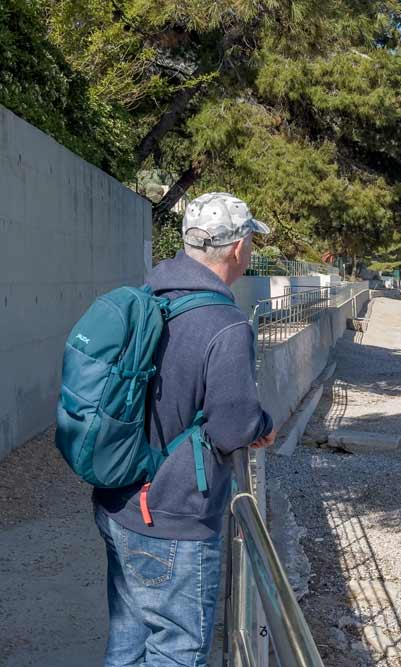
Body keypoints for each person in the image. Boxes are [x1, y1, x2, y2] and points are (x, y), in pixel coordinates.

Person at [93, 192, 277, 666]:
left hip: (119, 502)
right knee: (177, 651)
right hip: (172, 518)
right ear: (237, 248)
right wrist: (264, 425)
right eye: (251, 242)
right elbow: (232, 426)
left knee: (128, 645)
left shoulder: (148, 295)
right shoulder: (225, 323)